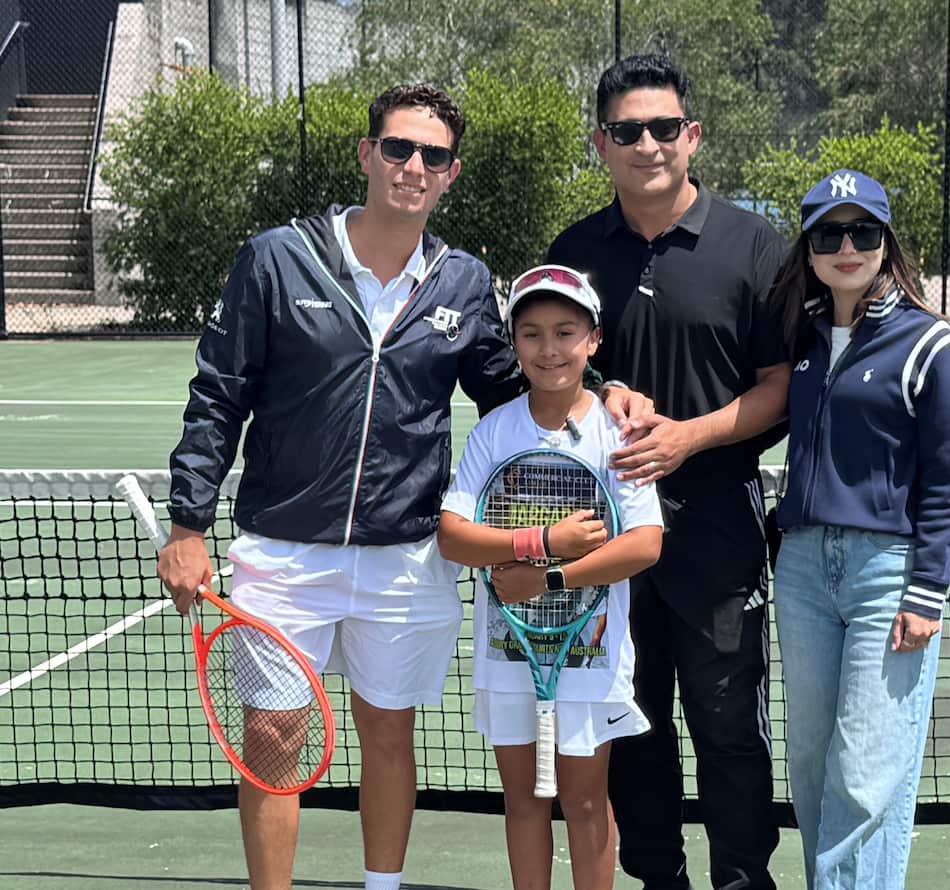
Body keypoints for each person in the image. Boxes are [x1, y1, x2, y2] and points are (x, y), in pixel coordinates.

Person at [157, 85, 649, 890]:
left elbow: (511, 382)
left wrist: (609, 390)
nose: (414, 166)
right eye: (398, 149)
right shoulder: (277, 258)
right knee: (275, 737)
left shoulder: (462, 282)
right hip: (283, 548)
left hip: (407, 557)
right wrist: (186, 524)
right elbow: (218, 392)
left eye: (434, 156)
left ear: (451, 174)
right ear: (367, 154)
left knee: (389, 735)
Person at [546, 54, 790, 890]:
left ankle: (741, 880)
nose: (646, 144)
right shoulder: (575, 252)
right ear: (601, 143)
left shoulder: (754, 246)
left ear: (691, 136)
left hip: (718, 524)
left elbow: (781, 387)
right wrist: (606, 387)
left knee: (728, 727)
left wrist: (687, 438)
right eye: (626, 131)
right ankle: (661, 879)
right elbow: (546, 368)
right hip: (608, 534)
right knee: (633, 720)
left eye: (662, 128)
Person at [768, 169, 950, 890]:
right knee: (812, 765)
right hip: (799, 572)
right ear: (810, 247)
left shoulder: (933, 347)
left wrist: (927, 589)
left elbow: (947, 482)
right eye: (829, 233)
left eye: (863, 232)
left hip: (887, 573)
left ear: (887, 242)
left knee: (864, 773)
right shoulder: (801, 339)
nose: (846, 247)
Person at [437, 263, 665, 890]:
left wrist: (550, 578)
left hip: (591, 658)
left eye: (566, 331)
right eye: (532, 333)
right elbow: (453, 535)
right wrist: (542, 541)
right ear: (514, 344)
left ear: (593, 340)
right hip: (506, 654)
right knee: (524, 801)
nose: (549, 349)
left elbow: (645, 543)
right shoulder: (493, 432)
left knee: (587, 802)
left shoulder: (617, 433)